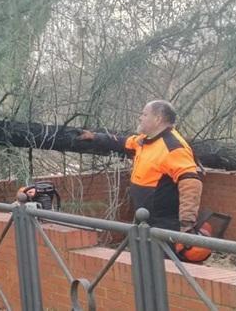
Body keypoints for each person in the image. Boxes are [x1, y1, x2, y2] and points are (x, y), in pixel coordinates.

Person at [76, 99, 203, 233]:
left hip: (164, 225)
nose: (140, 118)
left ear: (158, 119)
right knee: (142, 253)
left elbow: (191, 182)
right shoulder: (144, 140)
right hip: (145, 221)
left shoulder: (173, 147)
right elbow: (123, 143)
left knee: (160, 255)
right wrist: (95, 137)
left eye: (144, 114)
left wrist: (186, 223)